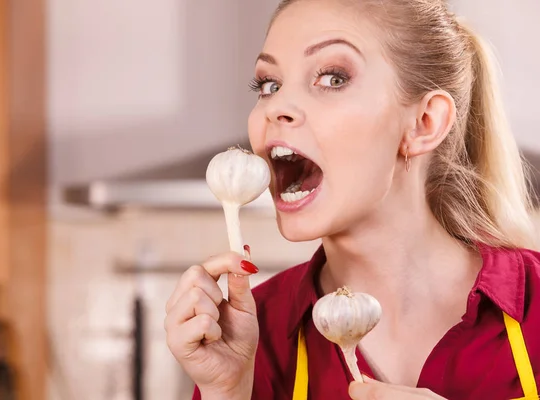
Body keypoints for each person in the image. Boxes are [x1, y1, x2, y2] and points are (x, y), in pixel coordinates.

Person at [164, 0, 540, 398]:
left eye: (333, 78)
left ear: (424, 124)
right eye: (268, 85)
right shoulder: (255, 330)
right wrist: (228, 391)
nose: (276, 107)